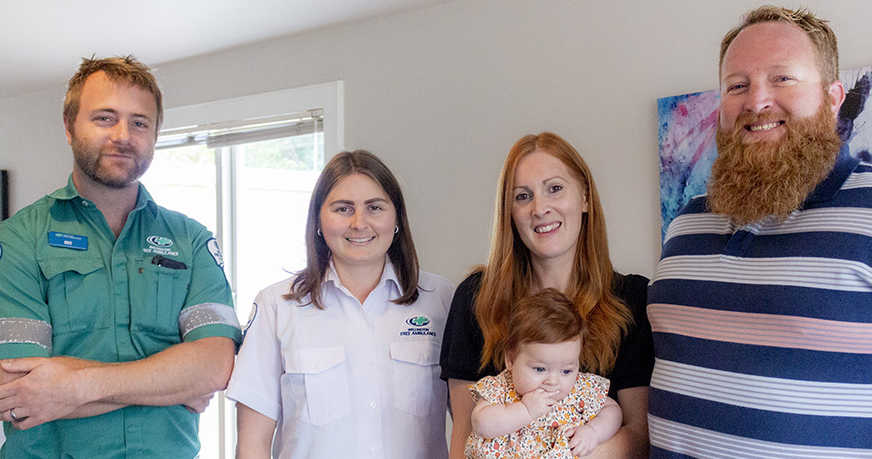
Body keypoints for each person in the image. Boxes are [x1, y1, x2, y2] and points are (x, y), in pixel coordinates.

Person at [648, 5, 872, 457]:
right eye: (738, 85)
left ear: (833, 99)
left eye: (782, 79)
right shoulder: (687, 223)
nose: (756, 101)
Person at [0, 56, 242, 458]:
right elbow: (15, 392)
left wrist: (75, 387)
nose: (124, 135)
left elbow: (214, 365)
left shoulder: (192, 241)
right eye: (105, 118)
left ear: (156, 134)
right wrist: (171, 385)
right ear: (69, 126)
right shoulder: (20, 239)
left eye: (140, 122)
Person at [227, 150, 455, 459]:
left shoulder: (440, 299)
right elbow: (253, 445)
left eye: (374, 207)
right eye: (343, 209)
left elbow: (470, 423)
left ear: (397, 218)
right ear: (319, 220)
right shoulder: (276, 307)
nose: (359, 223)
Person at [440, 132, 653, 458]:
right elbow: (464, 435)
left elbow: (639, 437)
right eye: (522, 196)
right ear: (509, 212)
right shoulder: (476, 300)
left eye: (554, 189)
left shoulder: (632, 300)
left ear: (584, 198)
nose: (540, 208)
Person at [467, 289, 623, 459]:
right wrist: (525, 410)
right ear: (510, 359)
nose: (553, 381)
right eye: (540, 369)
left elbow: (612, 410)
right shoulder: (501, 389)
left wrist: (593, 432)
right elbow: (480, 423)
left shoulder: (580, 390)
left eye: (566, 371)